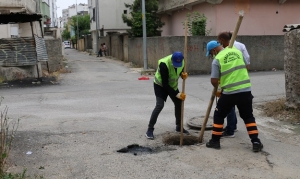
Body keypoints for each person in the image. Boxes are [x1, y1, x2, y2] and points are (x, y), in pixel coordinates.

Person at [205, 40, 263, 152]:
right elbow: (247, 66)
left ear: (213, 50)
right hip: (245, 90)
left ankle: (215, 141)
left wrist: (218, 88)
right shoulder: (237, 51)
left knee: (219, 115)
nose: (212, 55)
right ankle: (256, 142)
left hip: (229, 92)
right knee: (248, 117)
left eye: (211, 53)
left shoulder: (217, 59)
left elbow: (214, 80)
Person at [145, 52, 189, 139]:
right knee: (159, 105)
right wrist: (177, 94)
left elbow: (179, 71)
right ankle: (150, 129)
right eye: (175, 64)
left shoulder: (182, 61)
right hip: (160, 85)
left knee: (179, 104)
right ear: (172, 59)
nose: (177, 65)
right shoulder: (163, 64)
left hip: (172, 86)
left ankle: (179, 127)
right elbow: (165, 84)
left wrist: (182, 75)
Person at [217, 31, 251, 138]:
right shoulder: (241, 46)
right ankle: (253, 139)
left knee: (226, 109)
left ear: (222, 40)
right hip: (243, 83)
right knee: (247, 115)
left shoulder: (225, 50)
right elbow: (247, 61)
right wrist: (242, 73)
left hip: (230, 85)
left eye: (220, 41)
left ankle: (229, 130)